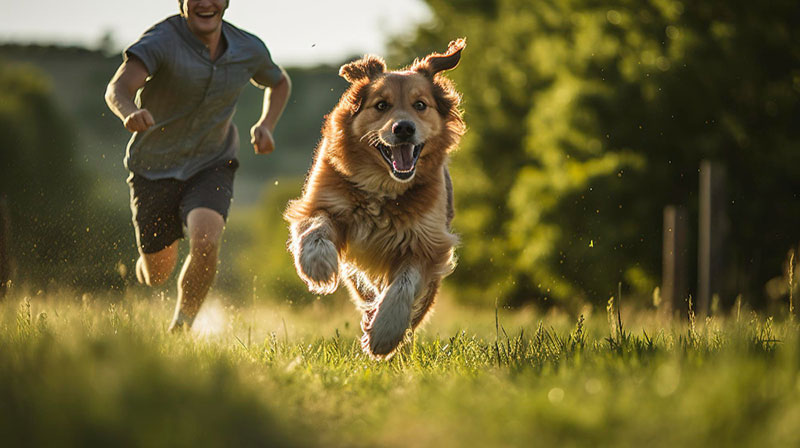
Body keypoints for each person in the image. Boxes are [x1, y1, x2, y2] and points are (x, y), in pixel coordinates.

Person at [105, 0, 291, 331]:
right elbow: (117, 88)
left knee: (206, 240)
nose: (206, 3)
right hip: (153, 169)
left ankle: (182, 326)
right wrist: (129, 111)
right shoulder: (160, 41)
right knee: (157, 274)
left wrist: (267, 124)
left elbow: (279, 82)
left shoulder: (248, 47)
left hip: (212, 163)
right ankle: (146, 265)